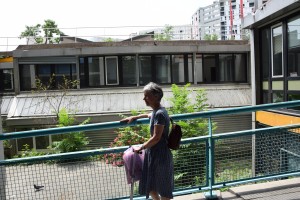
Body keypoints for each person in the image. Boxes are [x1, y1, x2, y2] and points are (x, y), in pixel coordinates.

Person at [121, 82, 174, 200]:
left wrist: (142, 147)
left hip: (161, 155)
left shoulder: (160, 114)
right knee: (150, 184)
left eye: (147, 96)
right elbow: (148, 115)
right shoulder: (157, 111)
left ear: (156, 97)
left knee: (164, 188)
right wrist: (134, 117)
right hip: (153, 153)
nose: (144, 98)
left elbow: (156, 137)